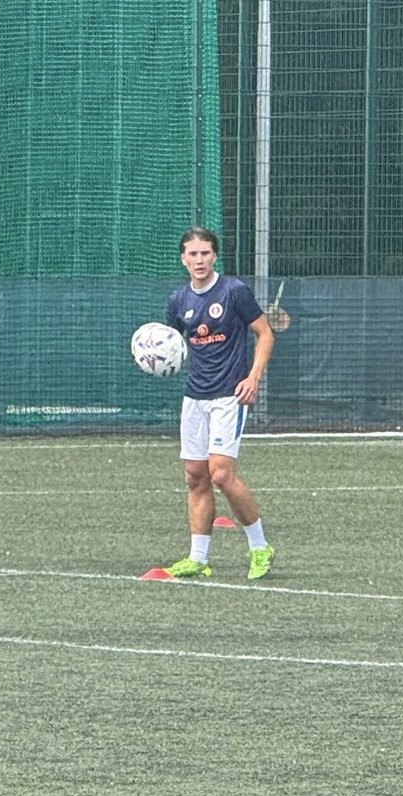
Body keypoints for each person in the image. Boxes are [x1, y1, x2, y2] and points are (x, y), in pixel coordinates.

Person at [162, 227, 276, 581]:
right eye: (192, 254)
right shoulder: (178, 301)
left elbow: (265, 333)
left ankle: (260, 547)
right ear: (183, 258)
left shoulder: (234, 292)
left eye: (205, 253)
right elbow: (167, 343)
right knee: (195, 477)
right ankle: (198, 558)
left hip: (230, 395)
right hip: (194, 397)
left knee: (222, 475)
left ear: (215, 256)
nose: (199, 260)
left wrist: (253, 377)